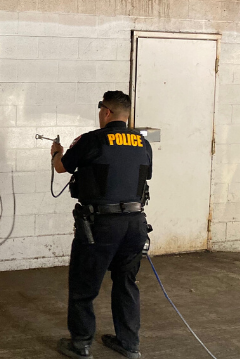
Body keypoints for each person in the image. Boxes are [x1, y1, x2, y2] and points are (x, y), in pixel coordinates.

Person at [51, 91, 152, 359]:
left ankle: (81, 344)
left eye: (100, 110)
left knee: (84, 285)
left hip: (100, 225)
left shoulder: (92, 140)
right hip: (135, 224)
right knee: (127, 283)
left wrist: (56, 153)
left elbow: (62, 167)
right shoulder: (143, 142)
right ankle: (129, 344)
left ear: (106, 112)